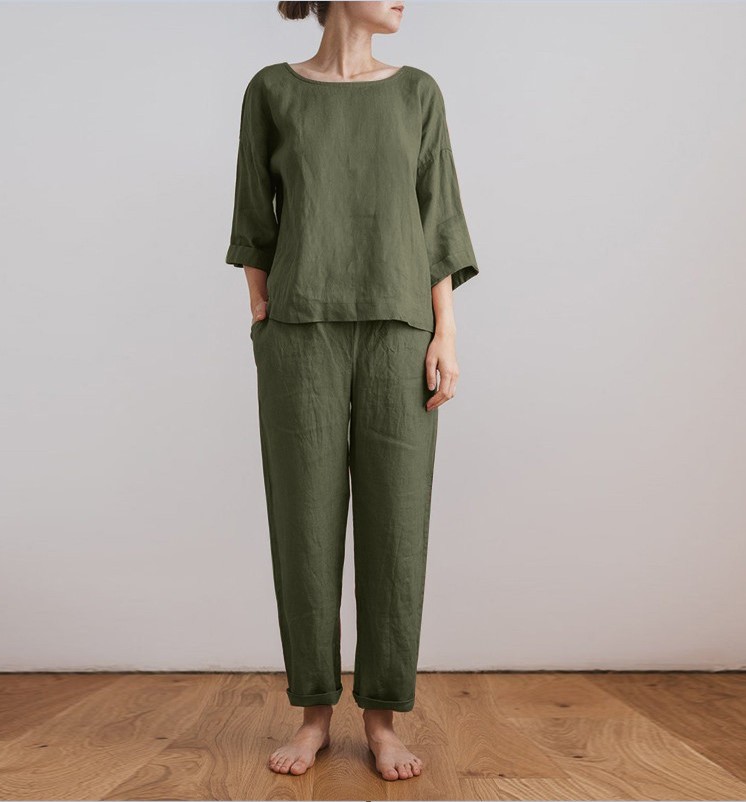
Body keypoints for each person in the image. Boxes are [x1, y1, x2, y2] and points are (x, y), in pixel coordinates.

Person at [225, 0, 479, 783]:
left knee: (396, 529)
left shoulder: (417, 93)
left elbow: (436, 221)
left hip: (399, 333)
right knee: (302, 527)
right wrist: (263, 313)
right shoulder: (272, 90)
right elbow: (253, 218)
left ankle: (381, 720)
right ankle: (312, 715)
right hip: (300, 334)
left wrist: (445, 334)